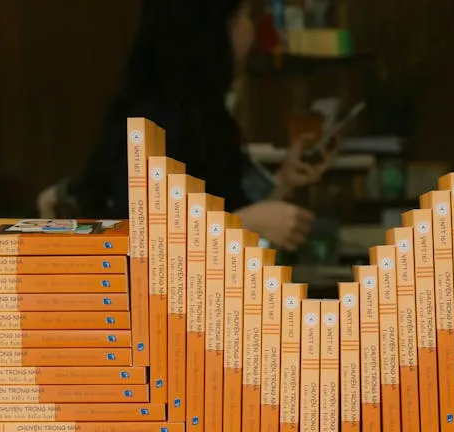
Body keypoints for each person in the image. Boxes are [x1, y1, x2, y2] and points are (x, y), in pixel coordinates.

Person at [40, 0, 332, 252]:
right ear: (212, 29)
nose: (251, 30)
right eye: (245, 16)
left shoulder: (207, 119)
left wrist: (283, 187)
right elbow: (138, 245)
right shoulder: (153, 121)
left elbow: (230, 218)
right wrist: (248, 224)